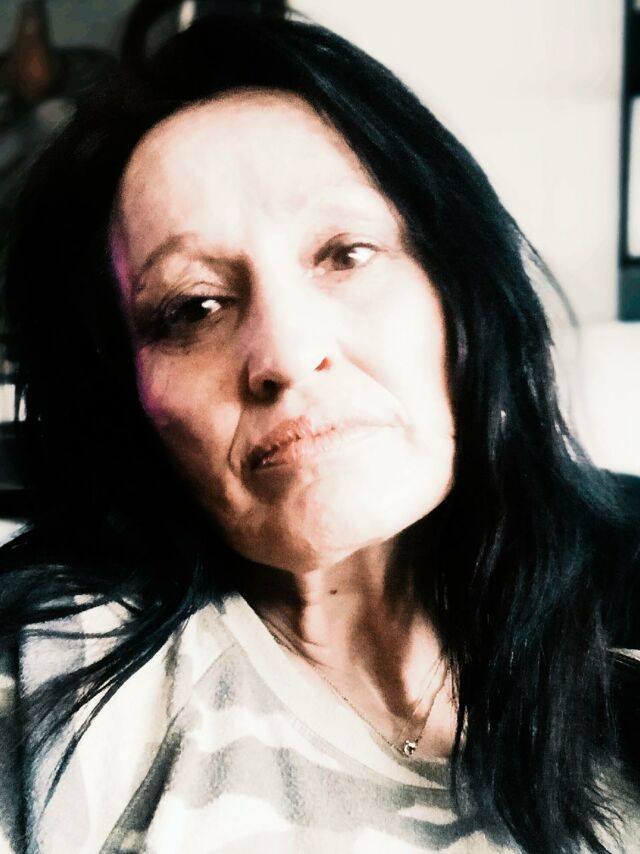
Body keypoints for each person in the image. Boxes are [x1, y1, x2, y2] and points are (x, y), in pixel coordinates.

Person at [0, 10, 638, 854]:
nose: (286, 355)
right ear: (127, 395)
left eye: (346, 253)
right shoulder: (55, 679)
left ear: (460, 291)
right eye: (194, 307)